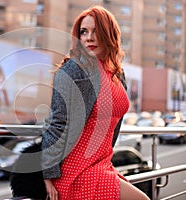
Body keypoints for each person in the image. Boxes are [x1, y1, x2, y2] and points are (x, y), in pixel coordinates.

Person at [41, 5, 149, 200]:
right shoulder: (74, 70)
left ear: (108, 34)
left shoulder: (116, 73)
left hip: (102, 163)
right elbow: (57, 123)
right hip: (77, 169)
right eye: (84, 32)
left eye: (96, 31)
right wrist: (48, 174)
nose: (89, 37)